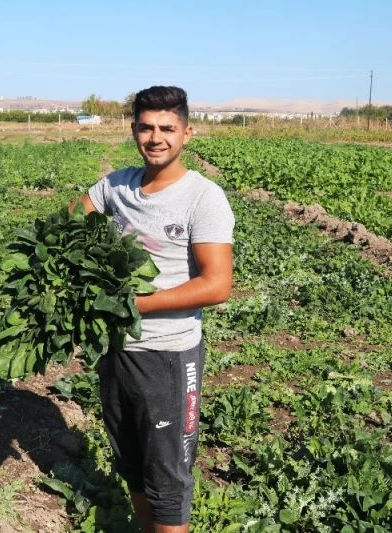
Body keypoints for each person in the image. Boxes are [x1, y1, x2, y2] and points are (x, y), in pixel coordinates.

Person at [71, 86, 234, 532]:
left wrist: (134, 304)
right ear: (134, 131)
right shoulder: (114, 186)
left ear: (187, 133)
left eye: (167, 128)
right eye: (146, 127)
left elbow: (217, 284)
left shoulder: (203, 198)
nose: (156, 137)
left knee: (167, 484)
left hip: (168, 357)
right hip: (116, 352)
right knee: (134, 472)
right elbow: (66, 227)